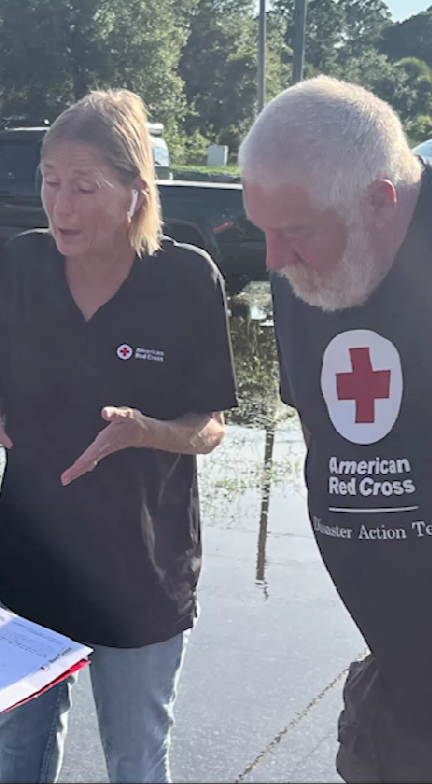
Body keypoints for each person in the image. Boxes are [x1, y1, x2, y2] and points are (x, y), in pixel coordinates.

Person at [0, 90, 237, 784]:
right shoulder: (23, 266)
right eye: (50, 182)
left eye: (84, 187)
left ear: (134, 193)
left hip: (140, 569)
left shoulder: (184, 279)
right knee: (20, 750)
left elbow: (209, 427)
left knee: (136, 760)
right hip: (30, 559)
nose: (60, 205)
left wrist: (147, 432)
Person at [239, 77, 432, 783]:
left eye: (294, 231)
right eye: (263, 229)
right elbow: (319, 429)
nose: (272, 260)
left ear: (381, 202)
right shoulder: (309, 276)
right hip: (397, 696)